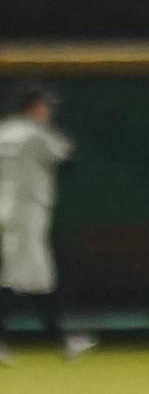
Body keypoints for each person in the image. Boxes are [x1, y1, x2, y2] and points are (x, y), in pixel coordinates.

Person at [0, 86, 94, 362]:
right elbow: (67, 161)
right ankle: (64, 339)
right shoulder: (38, 134)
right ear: (33, 107)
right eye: (45, 105)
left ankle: (64, 339)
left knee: (35, 278)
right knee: (19, 279)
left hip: (6, 210)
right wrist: (58, 137)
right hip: (28, 212)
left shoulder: (4, 130)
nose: (49, 110)